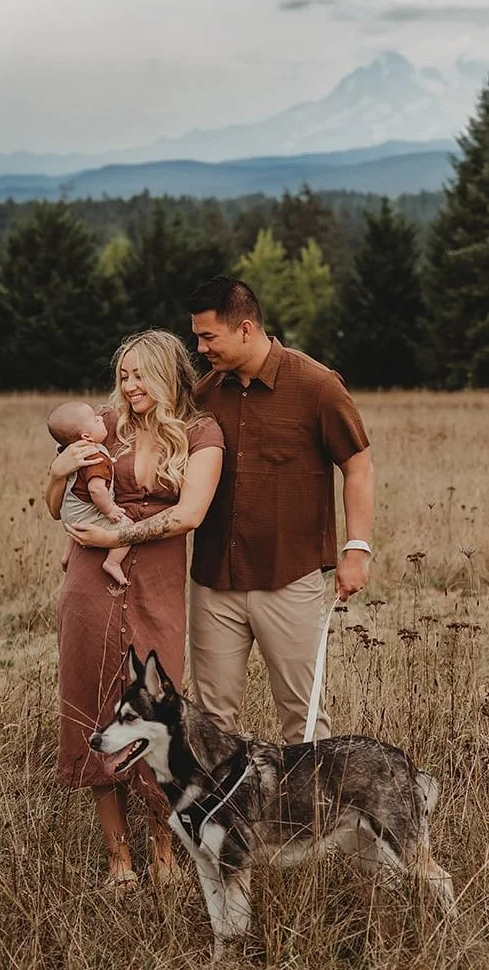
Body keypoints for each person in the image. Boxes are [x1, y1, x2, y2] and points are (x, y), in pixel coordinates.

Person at [46, 330, 223, 890]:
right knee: (94, 707)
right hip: (90, 585)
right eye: (123, 375)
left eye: (141, 374)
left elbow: (190, 514)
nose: (129, 386)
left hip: (158, 587)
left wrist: (114, 538)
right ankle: (119, 859)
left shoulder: (201, 432)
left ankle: (164, 850)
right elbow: (58, 508)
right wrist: (55, 474)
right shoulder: (101, 426)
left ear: (170, 375)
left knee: (157, 713)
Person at [186, 275, 374, 743]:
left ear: (245, 329)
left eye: (209, 336)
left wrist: (357, 549)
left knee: (303, 718)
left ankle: (309, 816)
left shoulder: (317, 386)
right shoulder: (204, 396)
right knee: (211, 724)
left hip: (290, 579)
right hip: (213, 581)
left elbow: (358, 464)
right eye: (197, 337)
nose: (201, 348)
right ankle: (224, 816)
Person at [46, 399, 130, 587]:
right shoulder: (95, 458)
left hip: (71, 515)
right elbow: (96, 489)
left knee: (76, 526)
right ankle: (113, 562)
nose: (101, 418)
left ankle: (67, 557)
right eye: (95, 419)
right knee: (128, 526)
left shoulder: (71, 452)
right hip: (85, 514)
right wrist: (109, 510)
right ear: (87, 436)